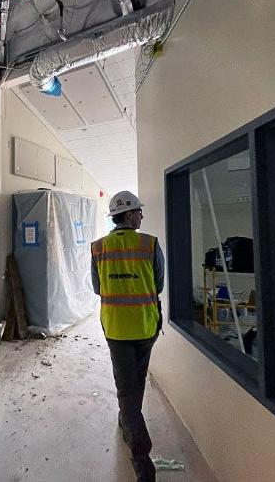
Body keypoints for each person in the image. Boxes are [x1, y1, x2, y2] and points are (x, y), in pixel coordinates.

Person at [91, 191, 164, 482]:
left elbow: (97, 288)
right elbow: (158, 283)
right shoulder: (150, 244)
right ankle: (133, 434)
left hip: (117, 328)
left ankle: (139, 452)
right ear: (130, 214)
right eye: (139, 212)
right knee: (137, 381)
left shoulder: (98, 247)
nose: (141, 216)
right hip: (146, 325)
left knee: (126, 388)